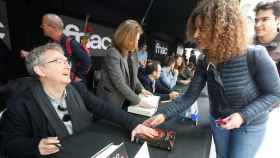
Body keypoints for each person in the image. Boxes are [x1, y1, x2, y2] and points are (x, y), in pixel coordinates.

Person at [144, 0, 280, 158]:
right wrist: (163, 115)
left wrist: (242, 116)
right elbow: (188, 97)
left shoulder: (255, 55)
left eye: (202, 29)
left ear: (221, 29)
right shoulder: (204, 60)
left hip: (250, 125)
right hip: (219, 122)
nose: (195, 35)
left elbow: (275, 94)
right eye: (195, 28)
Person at [0, 43, 157, 158]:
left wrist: (134, 123)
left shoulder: (77, 88)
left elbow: (104, 108)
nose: (67, 66)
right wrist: (34, 146)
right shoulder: (21, 104)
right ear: (40, 70)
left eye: (66, 60)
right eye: (57, 61)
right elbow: (9, 143)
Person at [96, 20, 153, 110]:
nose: (137, 43)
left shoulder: (132, 53)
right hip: (111, 101)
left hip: (126, 99)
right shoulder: (113, 53)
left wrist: (141, 89)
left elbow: (133, 76)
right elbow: (119, 82)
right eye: (136, 40)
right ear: (128, 39)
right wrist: (139, 101)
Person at [21, 13, 92, 82]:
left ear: (53, 27)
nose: (41, 27)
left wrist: (78, 77)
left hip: (70, 82)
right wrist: (29, 54)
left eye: (43, 25)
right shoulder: (50, 42)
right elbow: (44, 57)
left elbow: (87, 61)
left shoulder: (70, 43)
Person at [254, 1, 280, 75]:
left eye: (265, 19)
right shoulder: (246, 45)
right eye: (256, 20)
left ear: (278, 20)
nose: (257, 25)